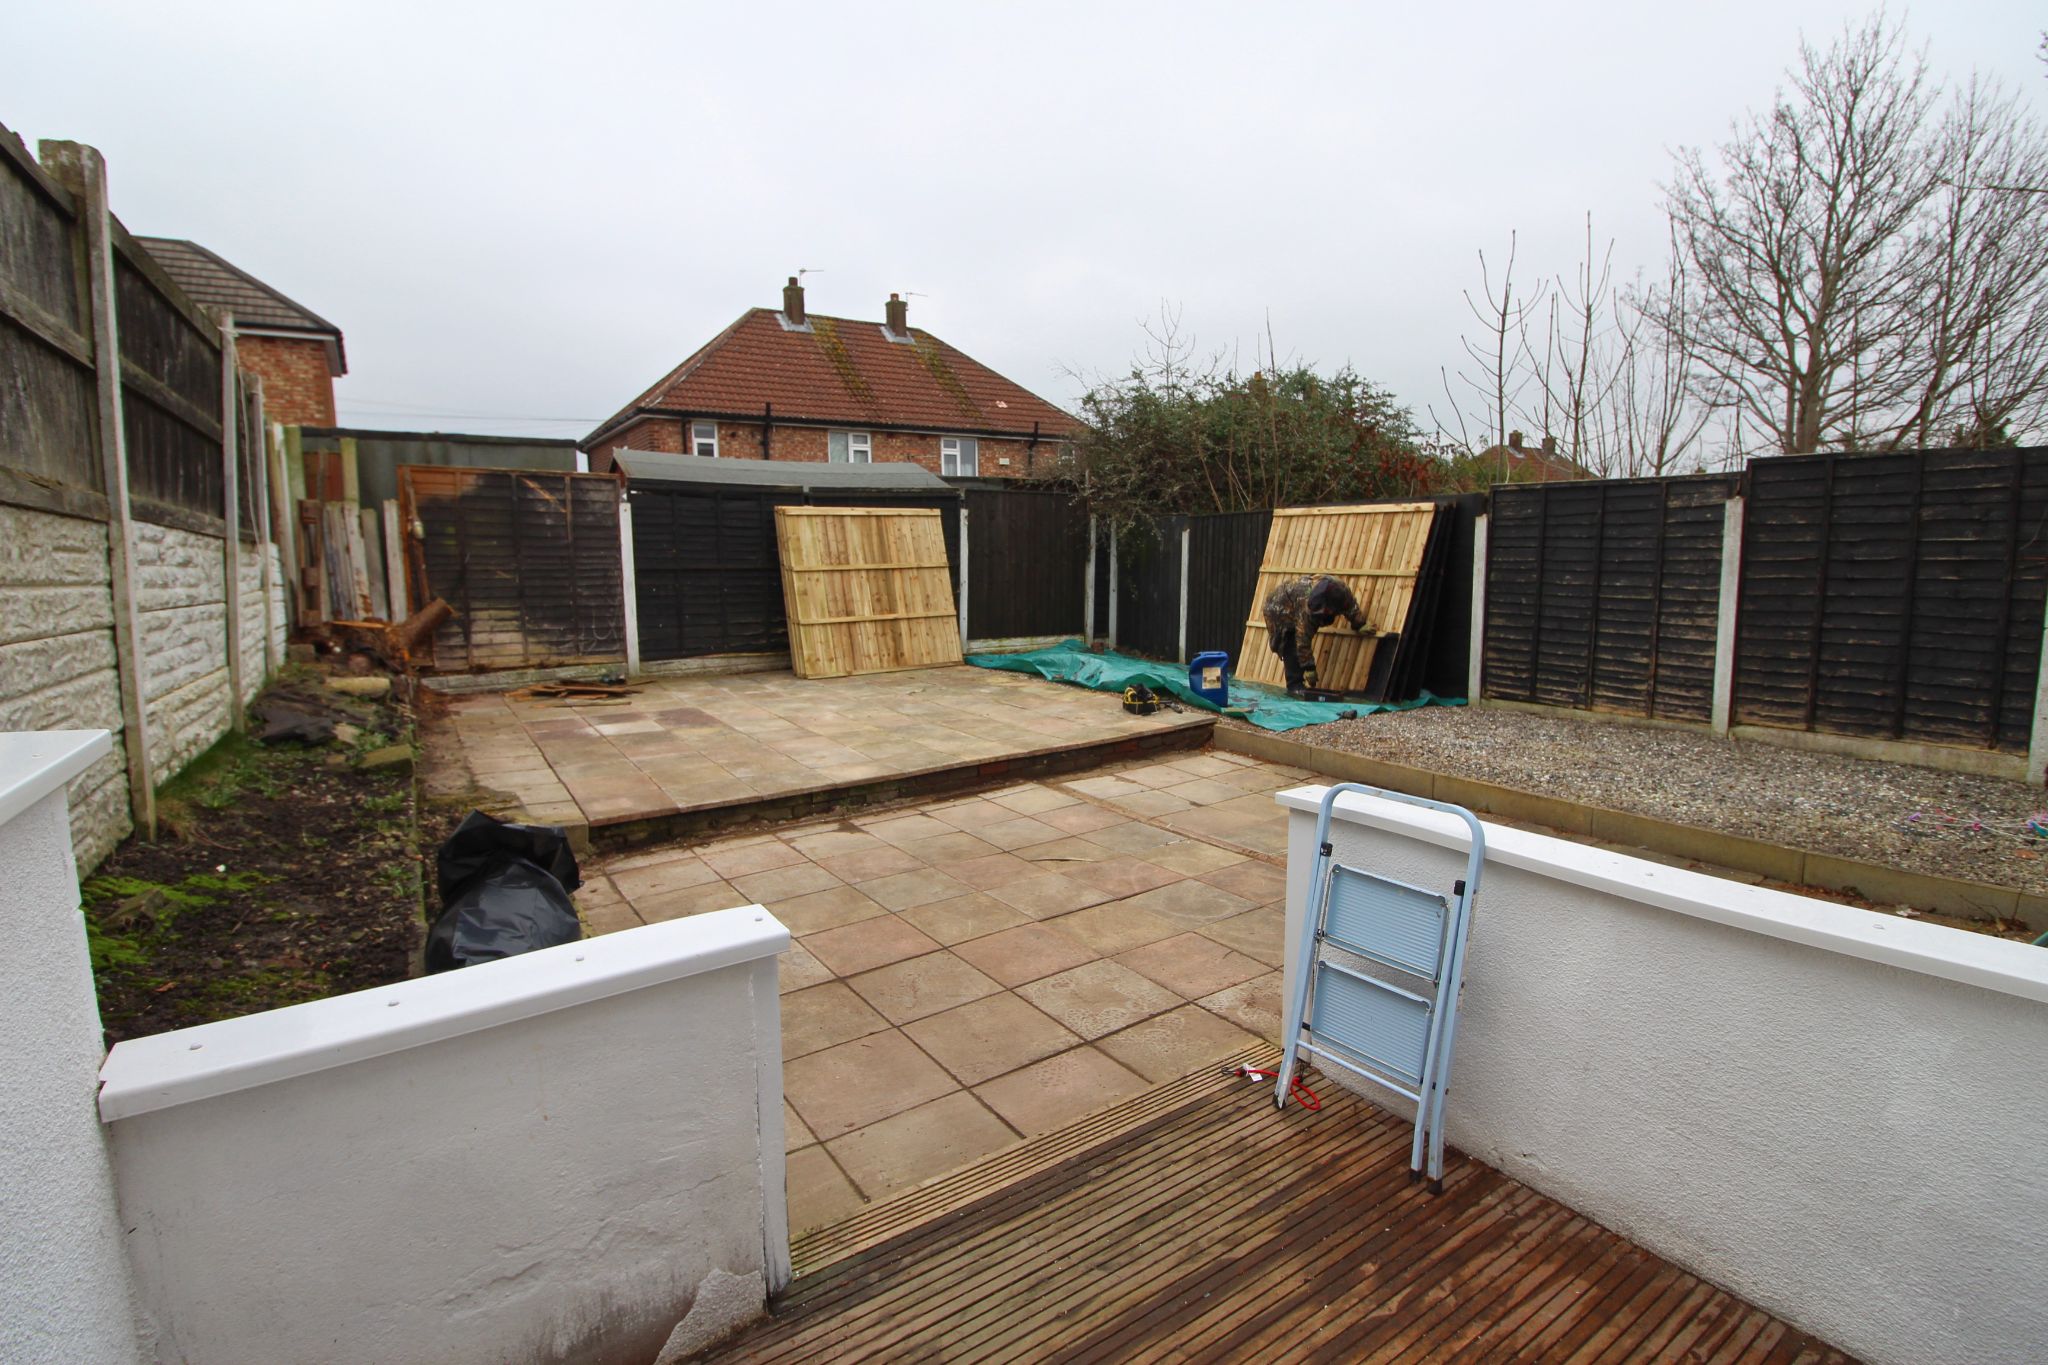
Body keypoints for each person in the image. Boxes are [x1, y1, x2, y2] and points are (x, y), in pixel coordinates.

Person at [1262, 574, 1373, 696]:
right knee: (1288, 640)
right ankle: (1295, 685)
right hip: (1277, 606)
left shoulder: (1340, 591)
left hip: (1297, 598)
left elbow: (1350, 605)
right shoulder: (1306, 608)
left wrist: (1359, 623)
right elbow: (1302, 640)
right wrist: (1309, 667)